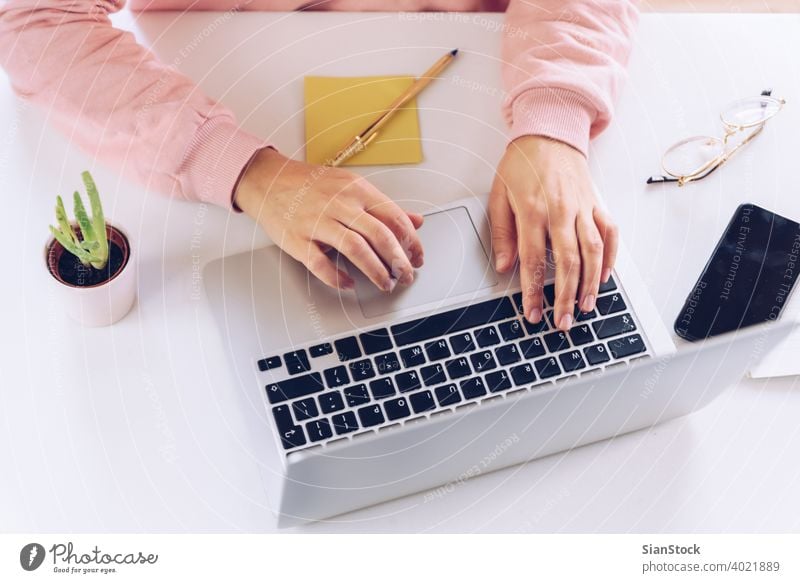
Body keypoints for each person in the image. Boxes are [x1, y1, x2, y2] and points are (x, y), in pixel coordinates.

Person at [0, 0, 636, 331]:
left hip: (485, 84)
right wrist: (243, 169)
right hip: (213, 129)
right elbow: (36, 24)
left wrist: (554, 119)